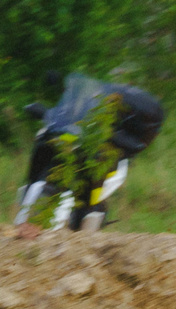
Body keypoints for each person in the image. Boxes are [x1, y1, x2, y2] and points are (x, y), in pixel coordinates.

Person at [14, 73, 165, 232]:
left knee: (91, 199)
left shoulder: (127, 126)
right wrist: (49, 114)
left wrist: (109, 138)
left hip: (103, 159)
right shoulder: (98, 98)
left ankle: (88, 235)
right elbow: (72, 111)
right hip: (79, 146)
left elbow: (129, 140)